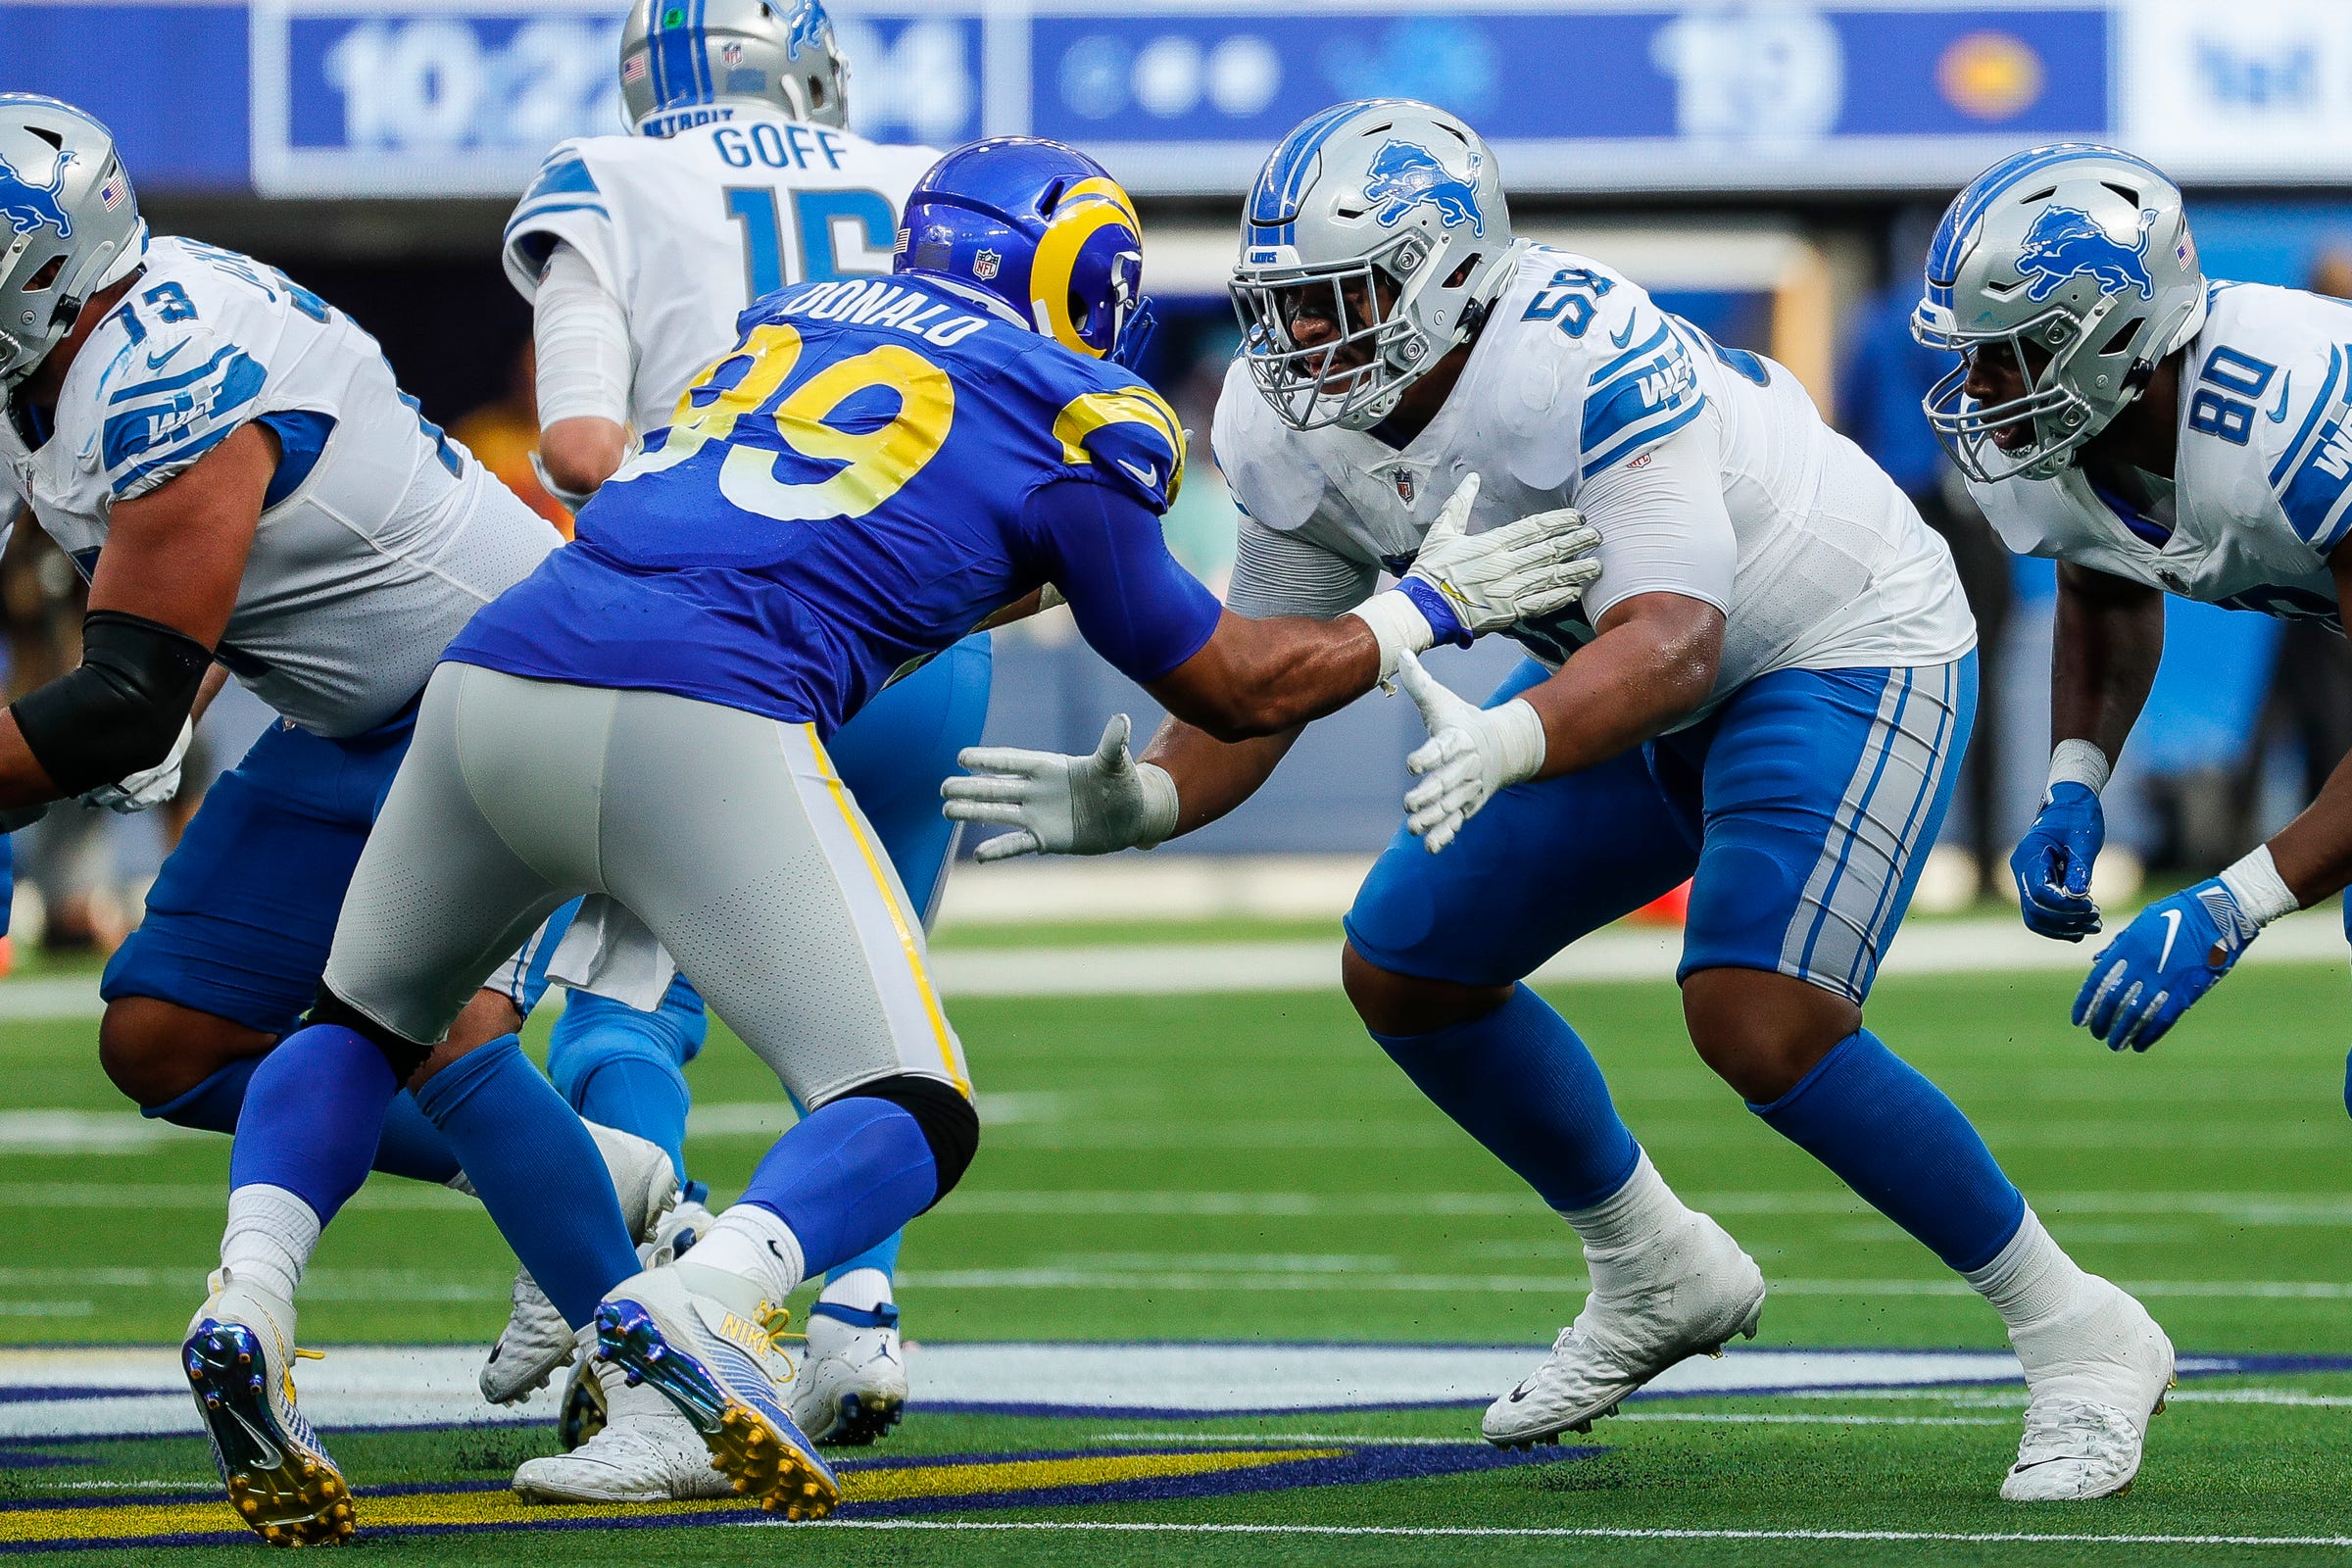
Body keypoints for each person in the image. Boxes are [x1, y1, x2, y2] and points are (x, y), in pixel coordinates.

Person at [178, 136, 1602, 1542]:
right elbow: (1230, 683)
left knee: (363, 1023)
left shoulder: (786, 328)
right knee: (912, 1104)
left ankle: (249, 1295)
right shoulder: (1077, 409)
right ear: (1085, 284)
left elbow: (870, 547)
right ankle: (705, 1299)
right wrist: (1425, 606)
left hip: (498, 679)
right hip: (704, 712)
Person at [947, 100, 2173, 1503]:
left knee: (1757, 1015)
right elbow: (1269, 681)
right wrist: (1160, 798)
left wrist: (1520, 738)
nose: (1303, 342)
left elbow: (1677, 639)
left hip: (1830, 637)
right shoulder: (1288, 422)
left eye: (1340, 298)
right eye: (1284, 305)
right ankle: (1655, 1266)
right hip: (1615, 674)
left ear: (1449, 272)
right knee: (1408, 965)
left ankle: (2081, 1330)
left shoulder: (1578, 349)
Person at [486, 0, 980, 1480]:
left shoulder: (612, 178)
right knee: (873, 1016)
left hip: (726, 644)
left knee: (630, 1005)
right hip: (926, 642)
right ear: (808, 65)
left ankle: (668, 1309)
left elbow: (577, 445)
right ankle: (863, 1311)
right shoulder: (919, 179)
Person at [1917, 145, 2352, 1062]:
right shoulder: (2075, 436)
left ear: (2113, 332)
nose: (1980, 386)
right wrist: (2073, 785)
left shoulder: (2293, 420)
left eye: (2005, 353)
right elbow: (2104, 579)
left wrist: (2234, 905)